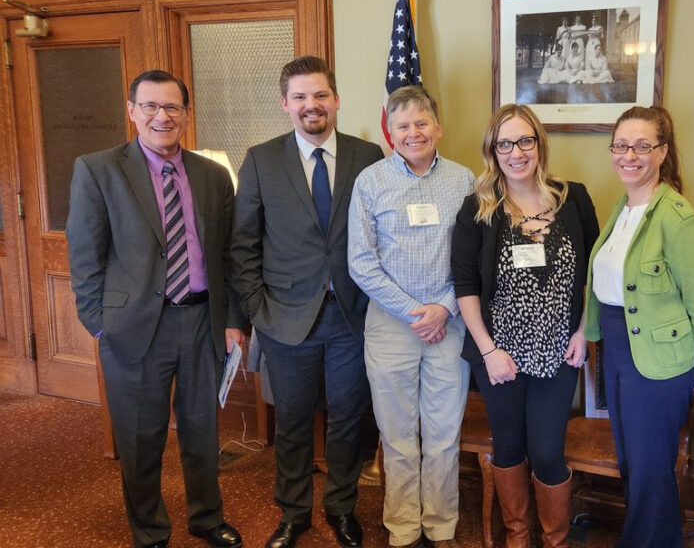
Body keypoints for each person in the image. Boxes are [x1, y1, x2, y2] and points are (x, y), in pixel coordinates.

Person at [67, 70, 246, 548]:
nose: (161, 116)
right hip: (133, 328)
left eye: (172, 107)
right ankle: (149, 530)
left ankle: (207, 518)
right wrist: (100, 326)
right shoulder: (98, 169)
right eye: (150, 106)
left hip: (202, 321)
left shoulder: (211, 175)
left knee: (202, 433)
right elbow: (85, 257)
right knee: (141, 439)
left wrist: (233, 320)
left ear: (186, 115)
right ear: (132, 110)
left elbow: (227, 254)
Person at [231, 55, 384, 548]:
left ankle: (341, 509)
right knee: (292, 423)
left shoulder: (368, 156)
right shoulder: (260, 158)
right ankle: (293, 513)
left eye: (320, 95)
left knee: (347, 420)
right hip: (285, 317)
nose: (310, 105)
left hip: (351, 316)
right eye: (299, 97)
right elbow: (243, 242)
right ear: (285, 104)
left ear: (336, 100)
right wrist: (257, 308)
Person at [452, 104, 599, 548]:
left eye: (524, 141)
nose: (516, 152)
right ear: (492, 151)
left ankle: (554, 540)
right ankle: (518, 536)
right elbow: (466, 287)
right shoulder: (477, 209)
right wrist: (489, 352)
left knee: (549, 451)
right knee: (510, 446)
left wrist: (582, 331)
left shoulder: (575, 198)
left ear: (539, 144)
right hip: (501, 357)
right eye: (504, 144)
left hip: (559, 352)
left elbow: (596, 271)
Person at [583, 106, 694, 548]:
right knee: (632, 462)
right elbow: (602, 283)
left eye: (642, 146)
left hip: (662, 363)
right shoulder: (622, 209)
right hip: (619, 350)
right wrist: (588, 336)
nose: (630, 155)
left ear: (662, 152)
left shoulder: (680, 220)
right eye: (621, 145)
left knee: (649, 469)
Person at [347, 86, 473, 548]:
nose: (413, 132)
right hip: (389, 326)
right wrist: (413, 312)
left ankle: (441, 525)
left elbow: (474, 258)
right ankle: (402, 527)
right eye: (402, 125)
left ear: (437, 128)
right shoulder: (371, 182)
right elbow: (361, 262)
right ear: (390, 131)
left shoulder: (463, 180)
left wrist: (442, 307)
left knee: (443, 435)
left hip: (450, 323)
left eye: (421, 123)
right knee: (397, 436)